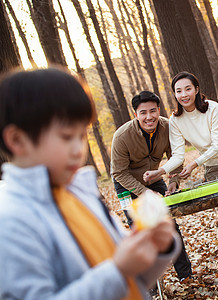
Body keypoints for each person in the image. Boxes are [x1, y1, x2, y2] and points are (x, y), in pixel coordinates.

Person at [0, 67, 181, 299]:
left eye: (81, 136)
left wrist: (159, 249)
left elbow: (133, 280)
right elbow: (117, 273)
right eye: (66, 137)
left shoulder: (82, 194)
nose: (79, 150)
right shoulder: (11, 219)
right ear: (17, 140)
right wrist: (118, 270)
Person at [143, 71, 218, 237]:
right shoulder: (175, 120)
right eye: (179, 91)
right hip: (213, 166)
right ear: (174, 94)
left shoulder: (212, 107)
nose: (184, 94)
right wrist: (161, 171)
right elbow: (178, 155)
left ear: (196, 89)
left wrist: (194, 164)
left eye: (188, 89)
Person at [110, 91, 192, 282]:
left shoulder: (167, 127)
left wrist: (173, 181)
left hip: (154, 177)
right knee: (139, 230)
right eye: (143, 112)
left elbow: (176, 157)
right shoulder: (121, 136)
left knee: (169, 223)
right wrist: (145, 193)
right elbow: (118, 173)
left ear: (159, 110)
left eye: (153, 111)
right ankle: (150, 284)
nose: (149, 117)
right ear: (136, 114)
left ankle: (186, 275)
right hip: (125, 183)